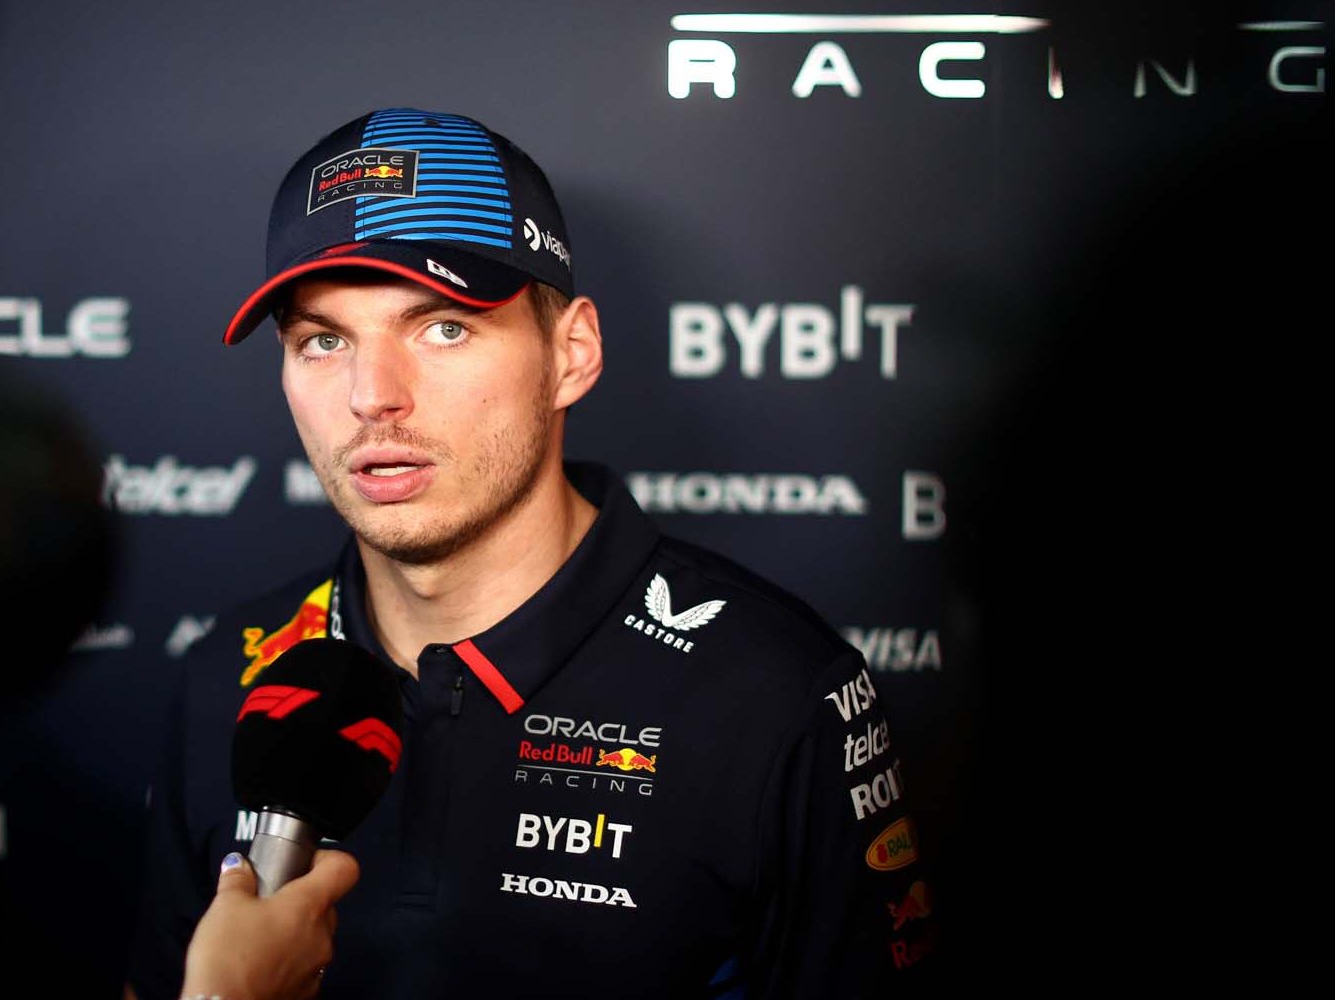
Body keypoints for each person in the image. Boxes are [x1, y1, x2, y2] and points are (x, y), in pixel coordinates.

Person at [130, 107, 932, 998]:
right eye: (323, 340)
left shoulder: (774, 694)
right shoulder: (227, 673)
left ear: (571, 353)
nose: (370, 396)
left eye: (442, 328)